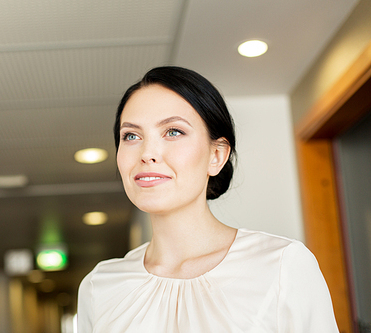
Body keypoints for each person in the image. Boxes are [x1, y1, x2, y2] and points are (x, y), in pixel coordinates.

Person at [77, 66, 338, 332]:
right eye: (131, 136)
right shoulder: (99, 287)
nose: (147, 154)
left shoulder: (282, 266)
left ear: (217, 156)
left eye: (173, 131)